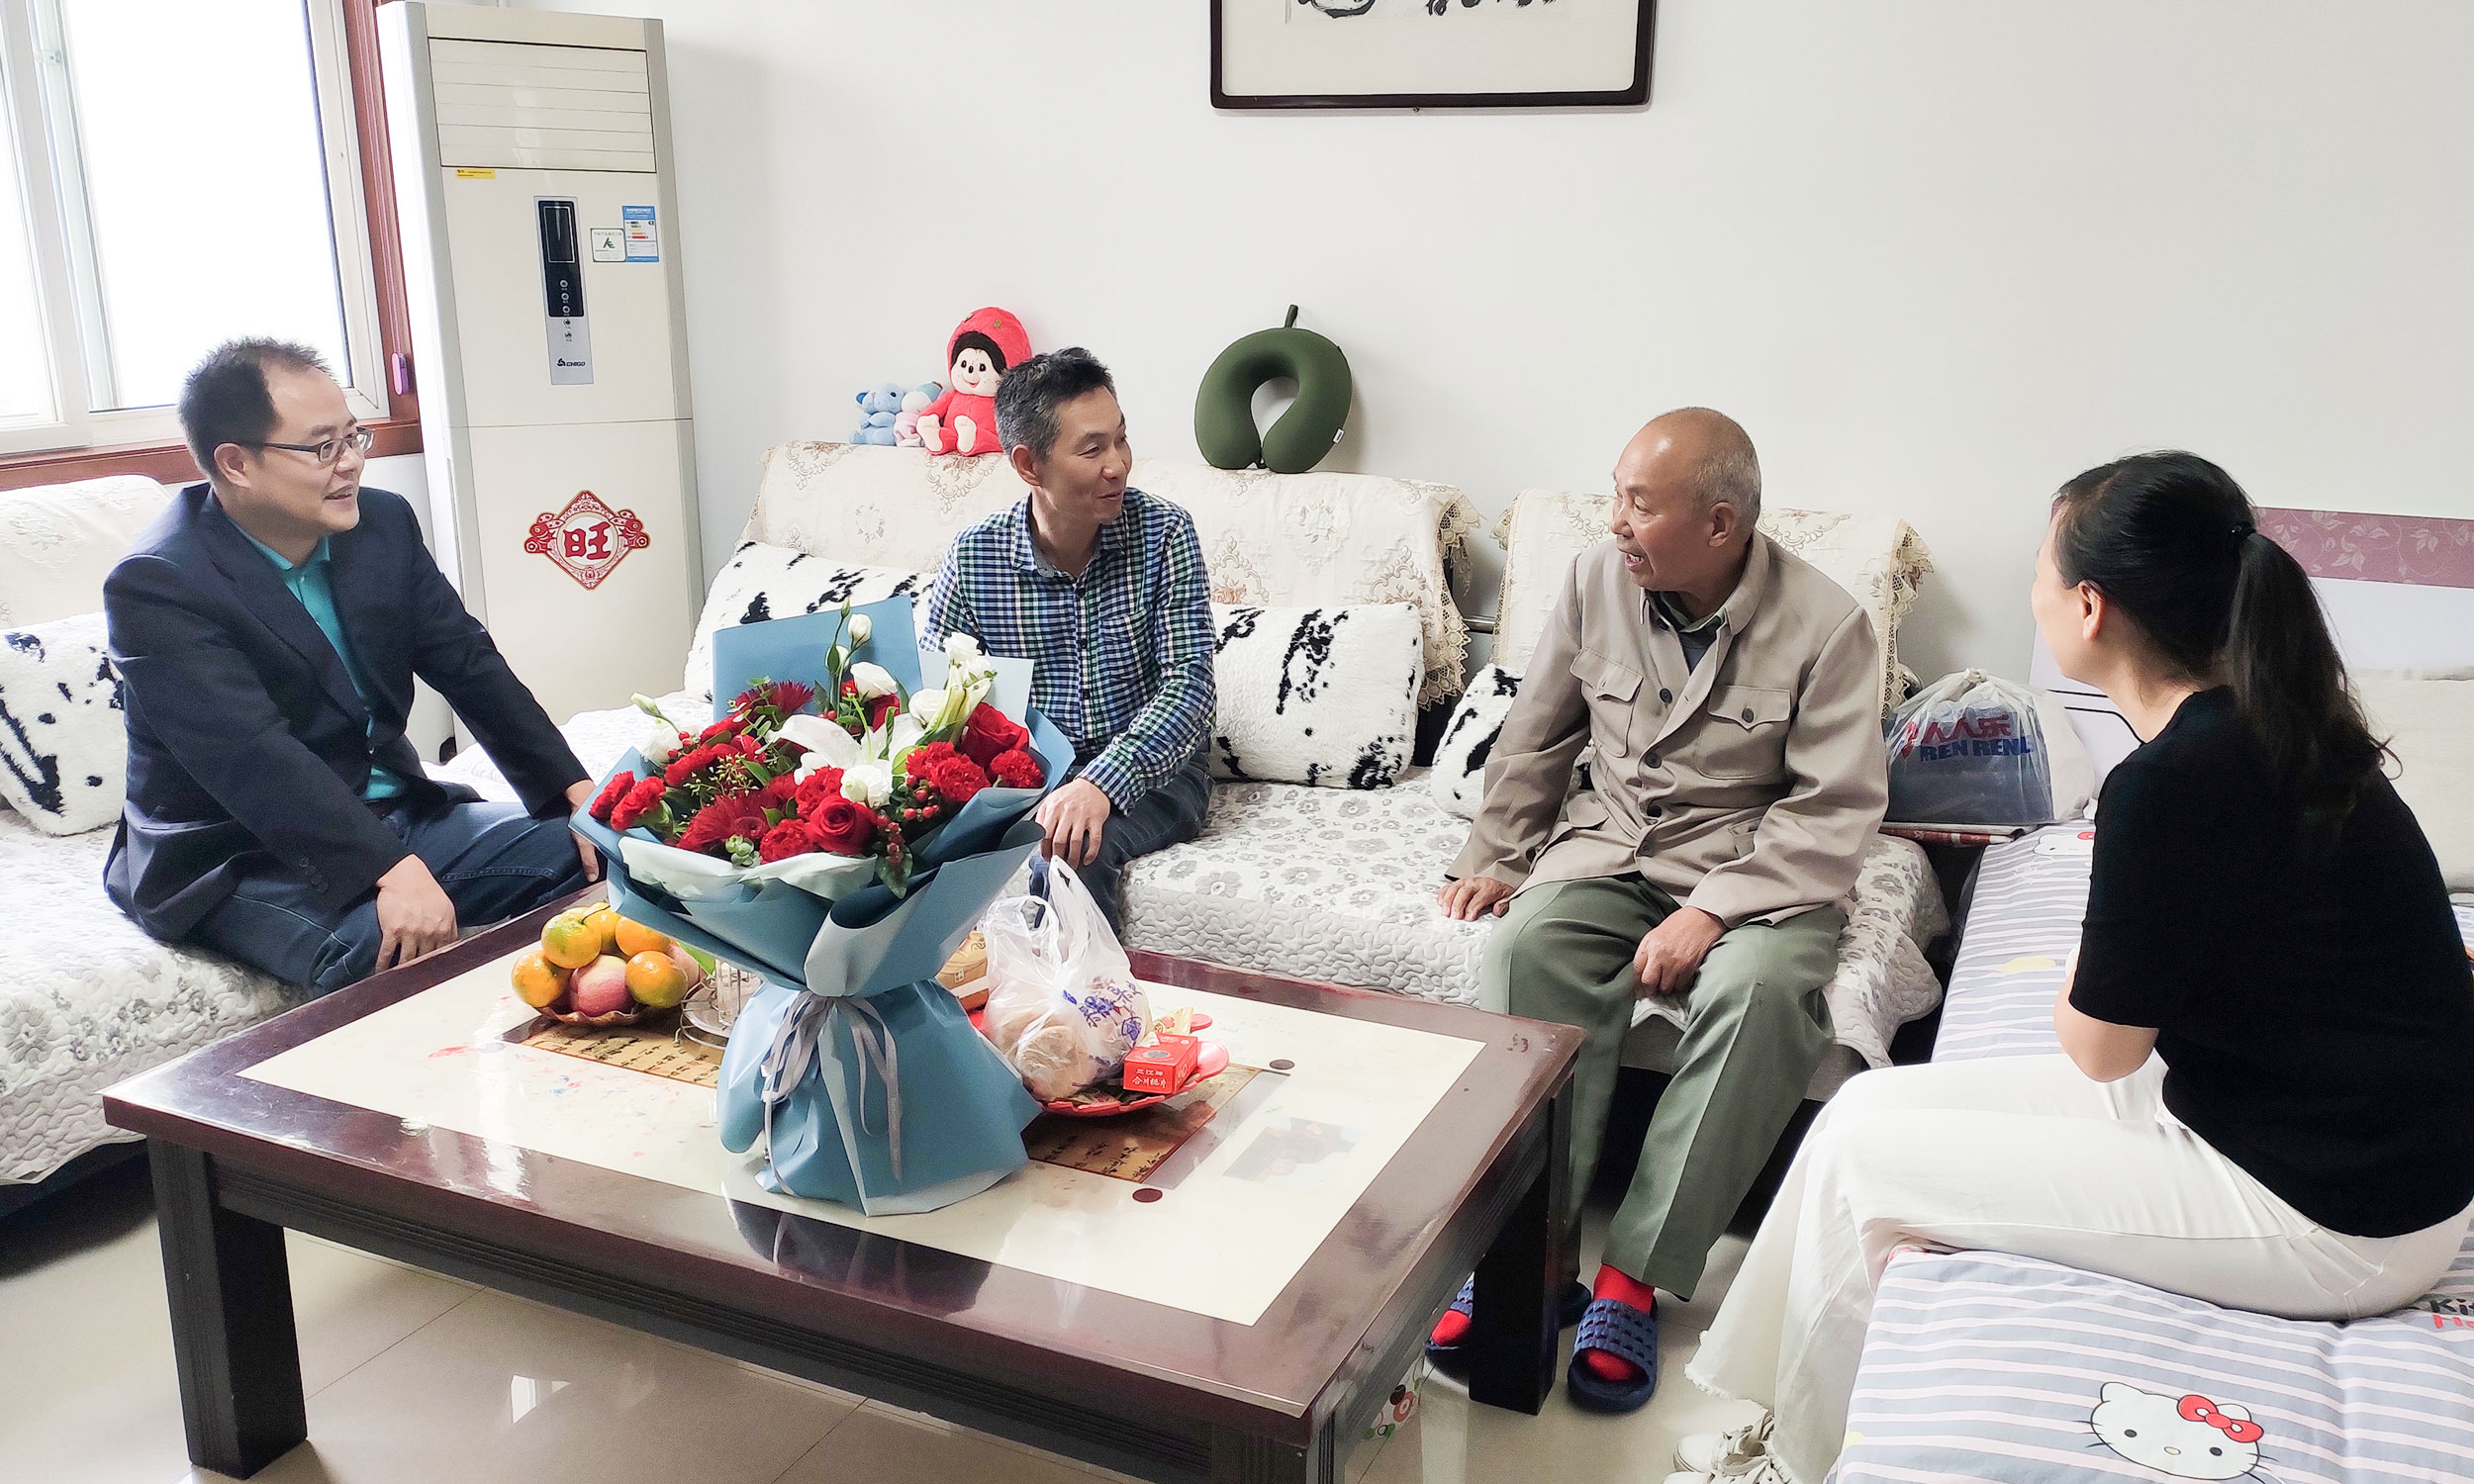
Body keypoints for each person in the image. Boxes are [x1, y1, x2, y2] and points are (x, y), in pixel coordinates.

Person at [1674, 452, 2474, 1484]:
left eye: (2040, 571)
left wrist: (2094, 951)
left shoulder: (2176, 779)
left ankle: (1795, 1462)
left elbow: (2099, 1049)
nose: (2033, 592)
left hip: (2343, 1213)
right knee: (1859, 1112)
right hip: (2321, 1133)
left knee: (1870, 1169)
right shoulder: (2282, 720)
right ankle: (1785, 1424)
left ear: (2090, 607)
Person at [1432, 408, 1889, 1412]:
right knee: (1523, 950)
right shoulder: (1595, 579)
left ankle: (1634, 1276)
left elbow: (1832, 810)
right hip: (1613, 844)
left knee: (1759, 997)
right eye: (1616, 495)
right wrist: (1496, 854)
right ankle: (1529, 1257)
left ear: (1720, 524)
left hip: (1760, 873)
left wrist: (1713, 911)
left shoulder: (1828, 626)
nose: (1615, 521)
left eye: (1639, 504)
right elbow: (1539, 732)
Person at [105, 339, 600, 994]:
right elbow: (253, 758)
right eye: (322, 448)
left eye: (353, 437)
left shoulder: (381, 525)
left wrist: (573, 790)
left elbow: (467, 662)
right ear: (236, 463)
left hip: (391, 809)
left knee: (598, 857)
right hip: (239, 852)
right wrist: (389, 870)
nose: (352, 463)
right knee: (381, 943)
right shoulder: (160, 584)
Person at [921, 347, 1215, 929]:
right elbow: (937, 698)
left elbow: (1191, 686)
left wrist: (1101, 783)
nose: (1118, 465)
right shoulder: (975, 556)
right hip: (1026, 775)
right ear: (1029, 465)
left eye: (1121, 440)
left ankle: (1085, 992)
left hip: (1156, 772)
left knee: (1069, 853)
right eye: (1092, 449)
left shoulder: (1165, 533)